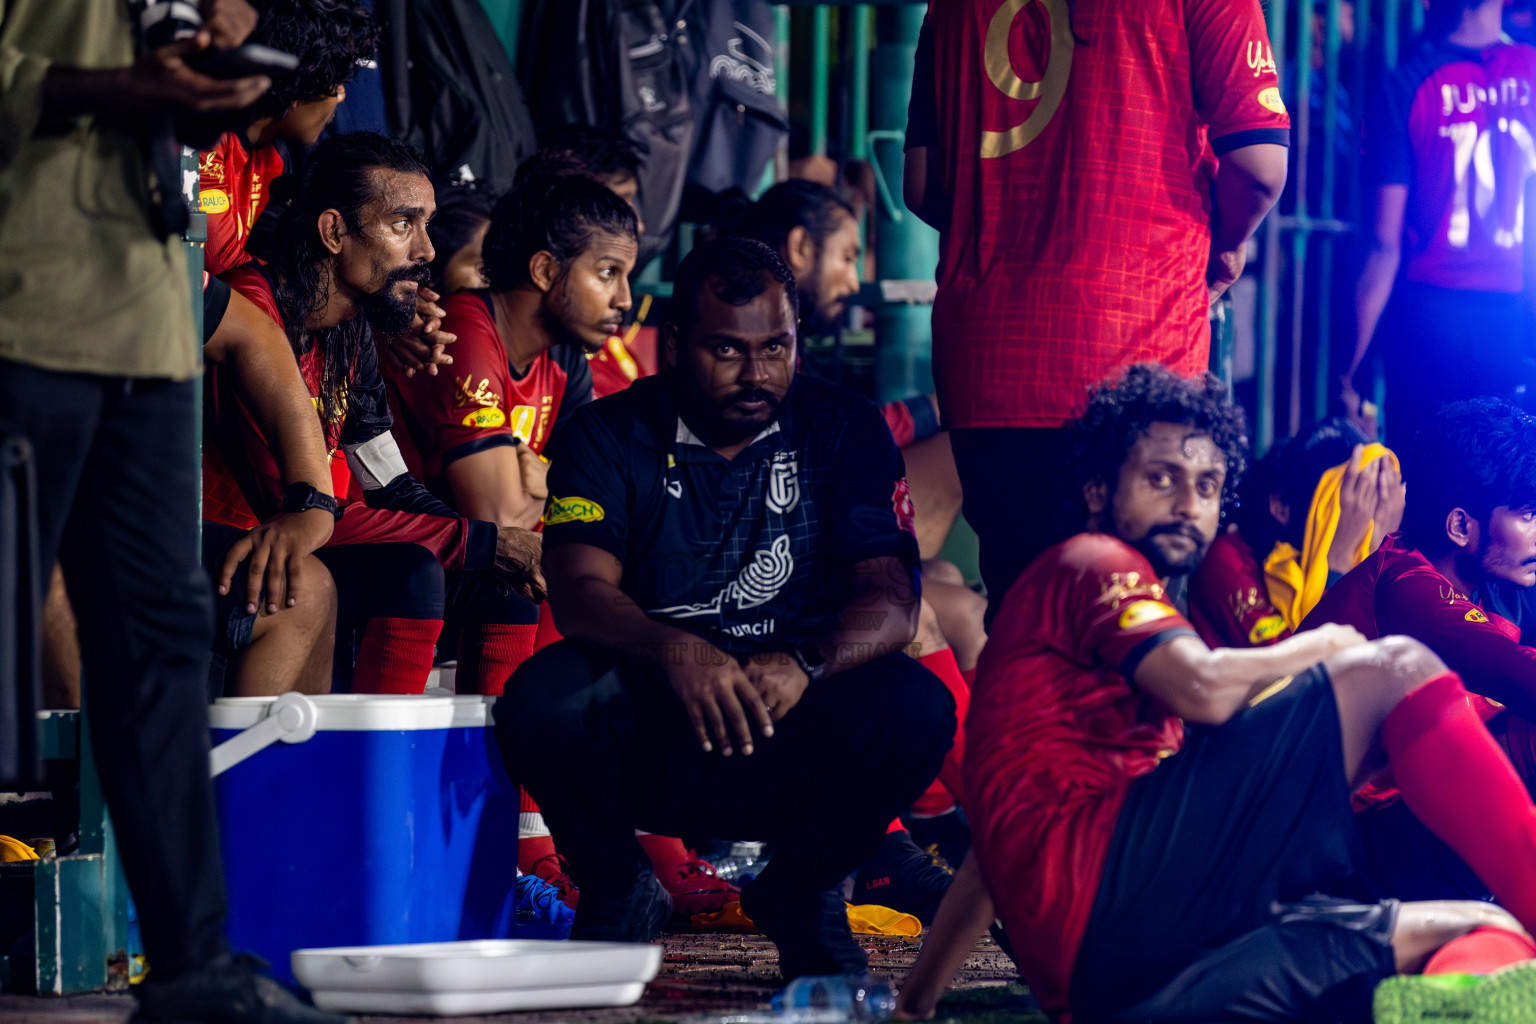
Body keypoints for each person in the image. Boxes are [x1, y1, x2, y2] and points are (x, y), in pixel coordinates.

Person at [896, 364, 1536, 1022]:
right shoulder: (1091, 560)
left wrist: (912, 1005)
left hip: (1131, 982)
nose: (1187, 504)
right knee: (1397, 668)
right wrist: (1325, 645)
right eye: (1160, 479)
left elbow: (992, 856)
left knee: (1480, 933)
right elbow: (1203, 687)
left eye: (1206, 486)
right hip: (1126, 905)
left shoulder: (1099, 641)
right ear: (1096, 491)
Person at [0, 0, 345, 1020]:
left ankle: (194, 967)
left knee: (158, 636)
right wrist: (114, 88)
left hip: (147, 326)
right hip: (25, 306)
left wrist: (208, 81)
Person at [495, 237, 955, 975]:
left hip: (796, 720)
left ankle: (801, 891)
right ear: (675, 343)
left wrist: (806, 663)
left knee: (916, 706)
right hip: (660, 730)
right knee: (539, 701)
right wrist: (680, 653)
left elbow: (894, 600)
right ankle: (619, 886)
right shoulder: (606, 433)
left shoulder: (843, 428)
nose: (757, 373)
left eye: (776, 348)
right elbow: (579, 591)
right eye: (727, 351)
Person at [905, 0, 1291, 618]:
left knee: (1023, 619)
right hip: (1136, 352)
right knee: (1128, 634)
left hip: (990, 366)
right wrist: (1223, 244)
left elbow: (924, 183)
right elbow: (1260, 165)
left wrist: (1014, 223)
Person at [202, 131, 545, 696]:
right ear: (334, 231)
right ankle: (371, 773)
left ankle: (500, 787)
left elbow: (389, 486)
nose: (427, 251)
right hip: (247, 548)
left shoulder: (350, 331)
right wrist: (479, 542)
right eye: (402, 224)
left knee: (504, 587)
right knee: (410, 572)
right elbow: (289, 504)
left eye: (428, 225)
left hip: (306, 542)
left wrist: (488, 546)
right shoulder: (256, 308)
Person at [1299, 399, 1536, 900]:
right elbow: (1521, 677)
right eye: (1529, 513)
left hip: (1401, 812)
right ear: (1460, 527)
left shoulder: (1491, 579)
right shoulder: (1406, 585)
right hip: (1346, 839)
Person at [384, 174, 635, 530]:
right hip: (412, 552)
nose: (624, 299)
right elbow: (500, 523)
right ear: (545, 270)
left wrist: (553, 481)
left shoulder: (565, 359)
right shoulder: (463, 330)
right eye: (608, 272)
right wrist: (558, 484)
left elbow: (612, 493)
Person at [1350, 0, 1536, 447]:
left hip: (1430, 322)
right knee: (1514, 491)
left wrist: (1348, 374)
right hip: (1518, 319)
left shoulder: (1407, 82)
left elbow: (1383, 243)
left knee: (1424, 483)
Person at [1188, 419, 1405, 648]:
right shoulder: (1227, 562)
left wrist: (1382, 558)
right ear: (1281, 507)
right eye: (1348, 508)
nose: (1364, 522)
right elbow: (1303, 673)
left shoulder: (1380, 548)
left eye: (1373, 502)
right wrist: (1338, 563)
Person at [198, 0, 377, 276]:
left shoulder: (273, 160)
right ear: (297, 87)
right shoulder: (208, 141)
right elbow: (225, 266)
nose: (340, 96)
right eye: (335, 85)